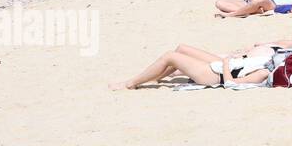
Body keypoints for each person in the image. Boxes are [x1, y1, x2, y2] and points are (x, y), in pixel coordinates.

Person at [111, 42, 282, 89]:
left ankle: (131, 83)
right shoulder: (269, 62)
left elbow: (230, 84)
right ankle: (154, 78)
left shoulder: (264, 72)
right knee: (181, 48)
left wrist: (225, 64)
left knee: (170, 56)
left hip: (214, 76)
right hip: (223, 66)